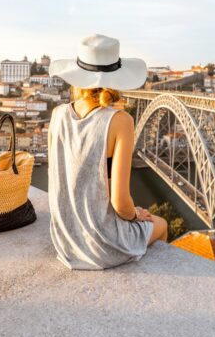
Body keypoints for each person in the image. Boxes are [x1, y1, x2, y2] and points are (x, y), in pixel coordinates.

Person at [46, 33, 168, 270]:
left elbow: (60, 178)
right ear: (117, 79)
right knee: (161, 223)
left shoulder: (57, 114)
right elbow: (120, 203)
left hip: (65, 242)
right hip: (103, 246)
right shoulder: (120, 121)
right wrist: (136, 215)